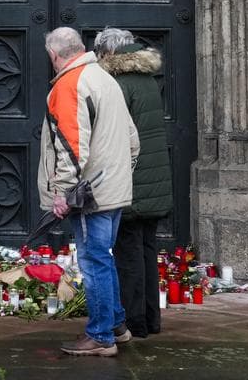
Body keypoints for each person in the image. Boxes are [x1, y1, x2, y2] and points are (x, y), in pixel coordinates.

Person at [39, 26, 140, 357]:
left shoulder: (70, 84)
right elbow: (132, 139)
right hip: (111, 187)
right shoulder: (105, 79)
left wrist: (64, 193)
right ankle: (115, 326)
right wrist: (119, 176)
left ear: (55, 55)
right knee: (103, 257)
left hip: (89, 193)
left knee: (94, 261)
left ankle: (100, 336)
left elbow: (70, 146)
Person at [95, 28, 172, 338]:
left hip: (131, 182)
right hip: (154, 181)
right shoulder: (146, 80)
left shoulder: (116, 84)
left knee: (128, 253)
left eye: (100, 53)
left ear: (109, 53)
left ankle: (134, 321)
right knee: (146, 250)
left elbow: (114, 137)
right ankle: (151, 320)